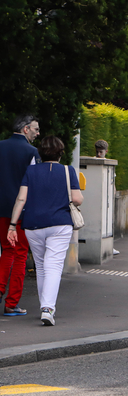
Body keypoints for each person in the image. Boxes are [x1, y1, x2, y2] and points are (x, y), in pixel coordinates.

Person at [7, 136, 83, 326]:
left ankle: (45, 305)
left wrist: (12, 225)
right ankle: (47, 309)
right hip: (59, 224)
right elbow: (77, 199)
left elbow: (21, 199)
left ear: (40, 153)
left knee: (41, 266)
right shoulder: (68, 170)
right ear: (60, 153)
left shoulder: (31, 171)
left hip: (33, 225)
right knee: (53, 266)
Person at [0, 114, 41, 316]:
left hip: (0, 209)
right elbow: (35, 182)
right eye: (35, 129)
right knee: (20, 254)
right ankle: (11, 302)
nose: (37, 133)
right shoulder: (32, 152)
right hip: (21, 211)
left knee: (6, 250)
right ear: (25, 129)